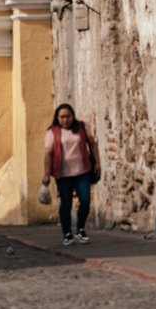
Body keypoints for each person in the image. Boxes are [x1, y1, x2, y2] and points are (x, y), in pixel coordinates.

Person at [42, 102, 101, 246]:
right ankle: (67, 234)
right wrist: (46, 174)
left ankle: (80, 229)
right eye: (62, 117)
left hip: (82, 171)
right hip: (63, 174)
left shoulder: (81, 127)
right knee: (66, 204)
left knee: (85, 200)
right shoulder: (52, 132)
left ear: (73, 116)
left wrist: (97, 162)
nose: (65, 120)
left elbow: (92, 144)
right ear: (57, 118)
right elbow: (48, 154)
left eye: (68, 116)